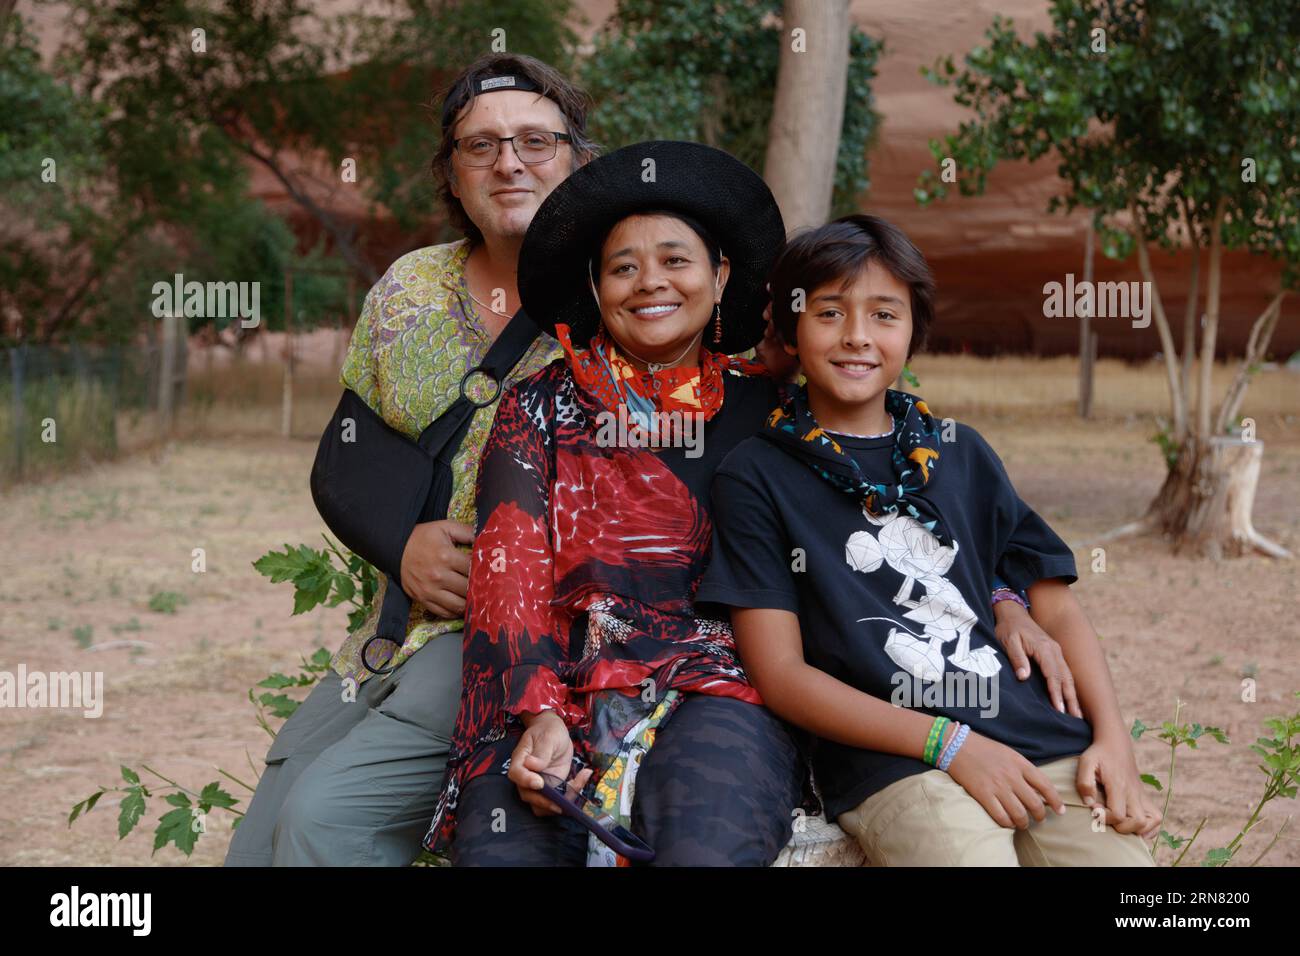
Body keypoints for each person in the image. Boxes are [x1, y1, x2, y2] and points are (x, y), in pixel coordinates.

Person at [224, 52, 597, 866]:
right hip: (398, 626)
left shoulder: (624, 294)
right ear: (452, 176)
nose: (508, 162)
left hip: (518, 641)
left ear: (576, 158)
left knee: (325, 823)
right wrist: (403, 544)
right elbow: (345, 453)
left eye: (536, 140)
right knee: (265, 824)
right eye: (480, 146)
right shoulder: (408, 288)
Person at [697, 214, 1162, 866]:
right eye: (829, 313)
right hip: (893, 761)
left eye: (885, 315)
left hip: (1039, 737)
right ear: (790, 328)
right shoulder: (758, 473)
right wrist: (953, 745)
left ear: (915, 332)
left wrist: (1114, 742)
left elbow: (1053, 604)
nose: (857, 336)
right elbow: (782, 675)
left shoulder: (959, 453)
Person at [423, 140, 807, 866]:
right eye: (623, 267)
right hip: (554, 690)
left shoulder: (777, 409)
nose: (648, 283)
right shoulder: (535, 410)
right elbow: (510, 575)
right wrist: (539, 716)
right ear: (597, 289)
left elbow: (898, 488)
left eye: (675, 260)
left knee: (706, 848)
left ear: (721, 276)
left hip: (725, 692)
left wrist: (1008, 596)